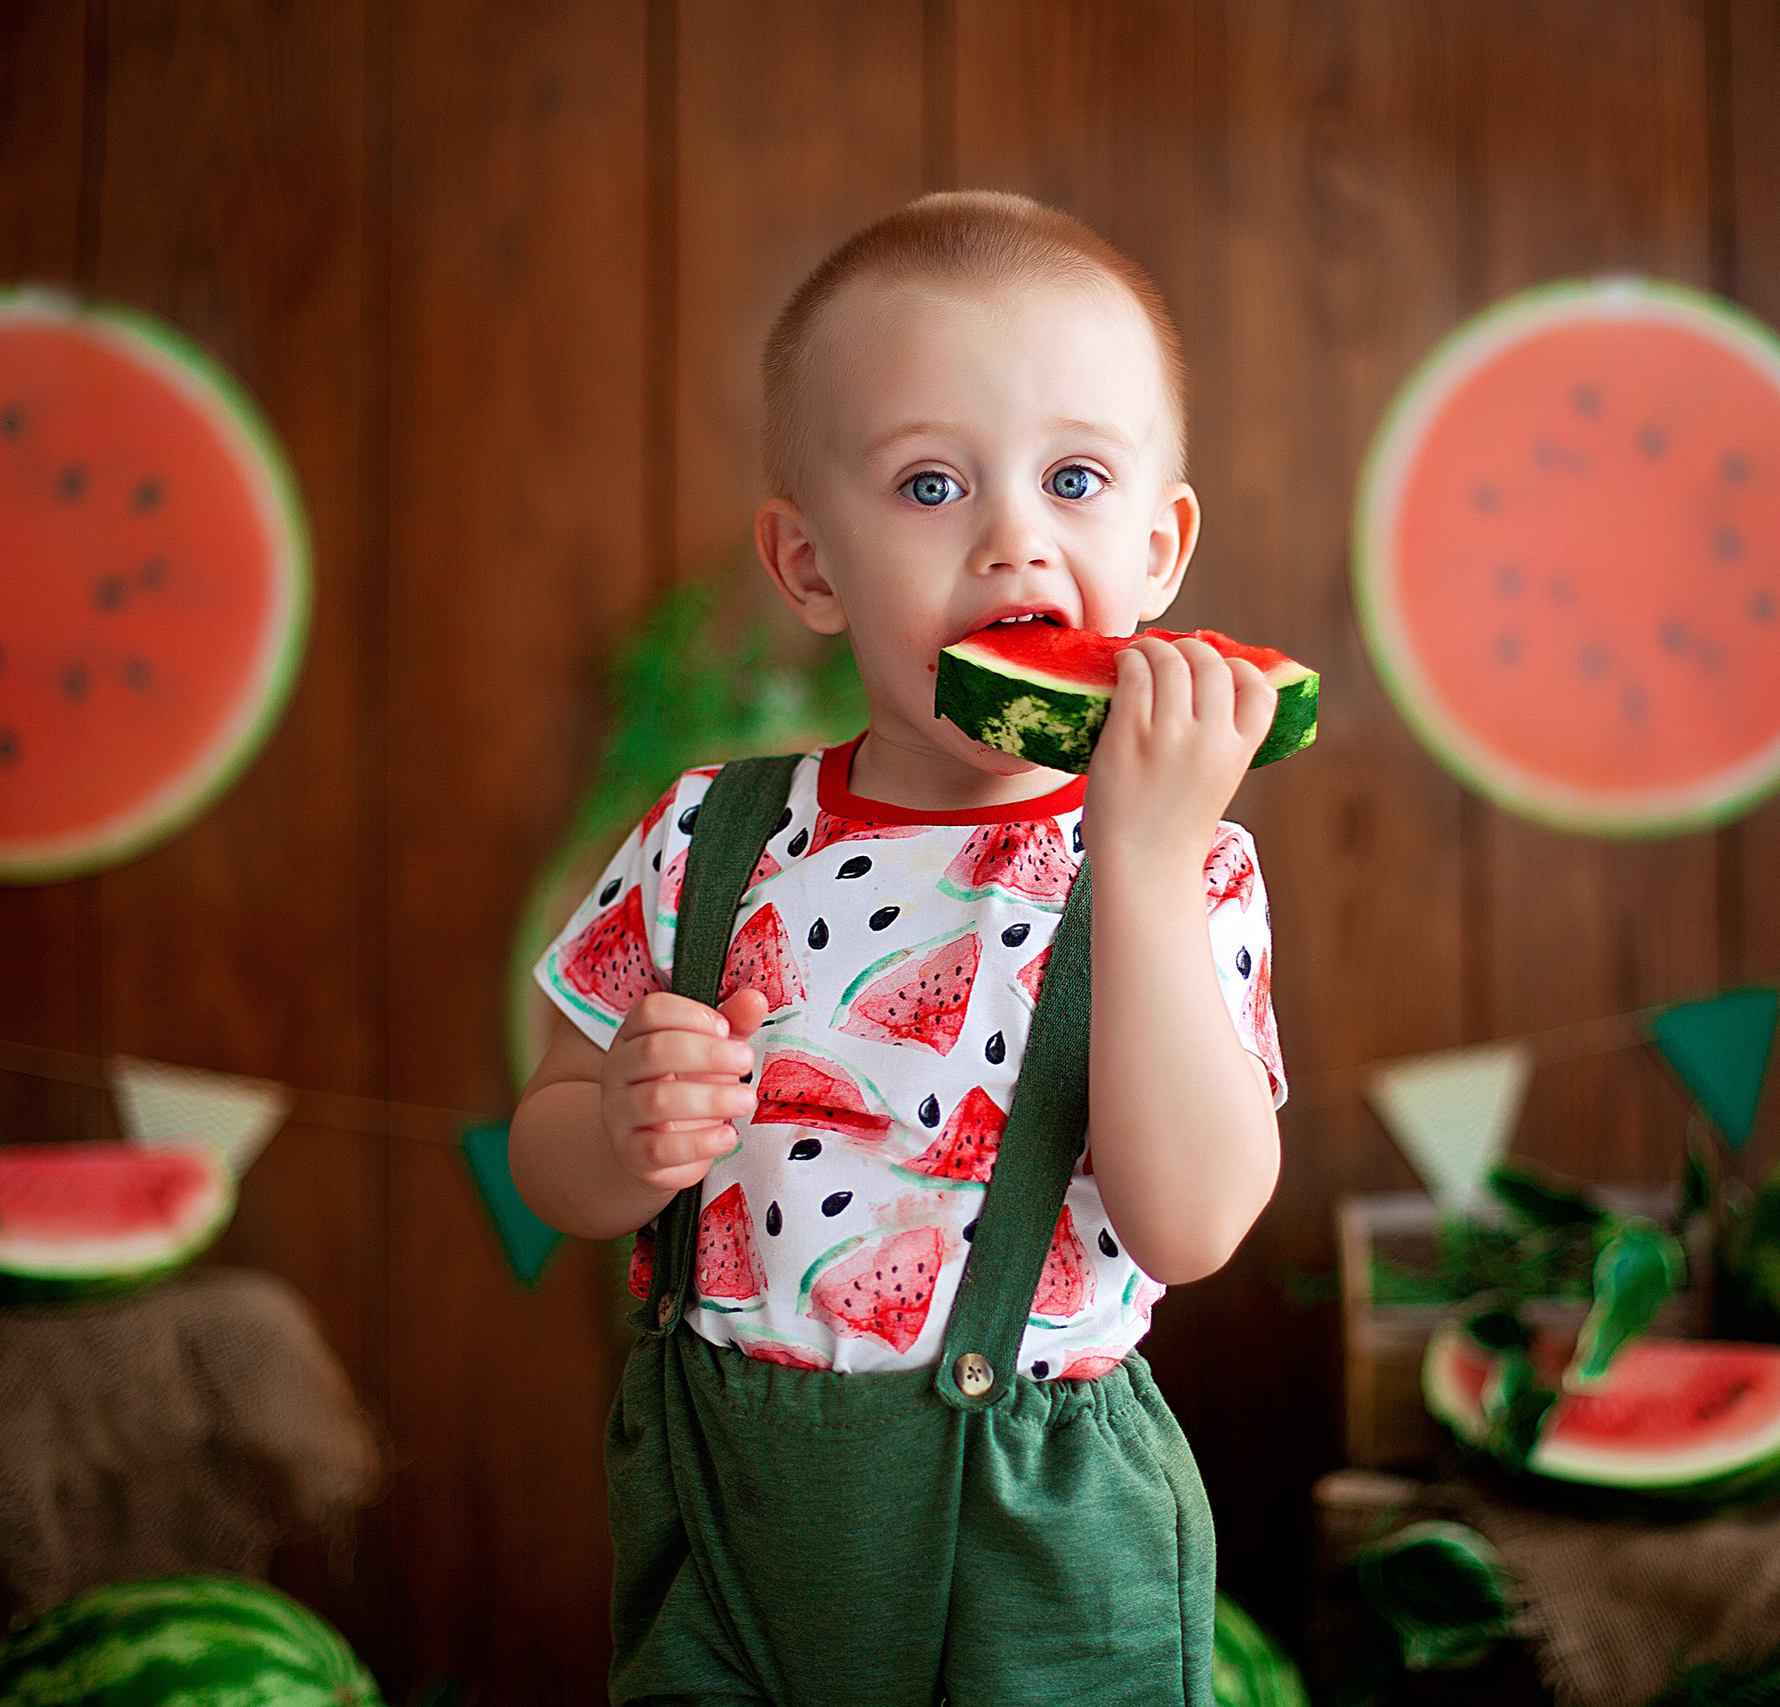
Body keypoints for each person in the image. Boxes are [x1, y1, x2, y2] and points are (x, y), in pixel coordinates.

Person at [510, 190, 1289, 1707]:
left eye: (1074, 479)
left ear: (1162, 543)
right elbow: (549, 1151)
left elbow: (1192, 1224)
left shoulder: (1189, 861)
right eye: (931, 485)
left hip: (1046, 1524)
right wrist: (620, 1136)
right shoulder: (706, 836)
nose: (1014, 542)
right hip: (725, 1498)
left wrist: (1131, 851)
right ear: (808, 568)